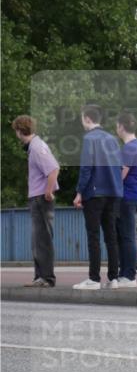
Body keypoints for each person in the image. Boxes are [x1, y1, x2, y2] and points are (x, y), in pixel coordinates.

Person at [72, 105, 123, 289]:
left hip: (94, 193)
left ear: (87, 118)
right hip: (113, 192)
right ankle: (114, 278)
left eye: (82, 119)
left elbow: (87, 167)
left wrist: (79, 192)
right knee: (111, 236)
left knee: (93, 236)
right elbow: (119, 166)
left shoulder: (89, 139)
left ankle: (94, 279)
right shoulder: (112, 139)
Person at [11, 115, 59, 287]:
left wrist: (48, 191)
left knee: (42, 239)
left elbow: (53, 169)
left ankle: (47, 278)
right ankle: (40, 277)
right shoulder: (34, 146)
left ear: (19, 130)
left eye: (16, 130)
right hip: (37, 198)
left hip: (41, 199)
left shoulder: (37, 147)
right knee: (37, 239)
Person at [114, 111, 137, 287]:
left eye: (117, 126)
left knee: (126, 237)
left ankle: (129, 276)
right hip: (133, 195)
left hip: (127, 196)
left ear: (121, 127)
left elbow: (120, 175)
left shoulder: (129, 148)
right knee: (124, 236)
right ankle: (124, 274)